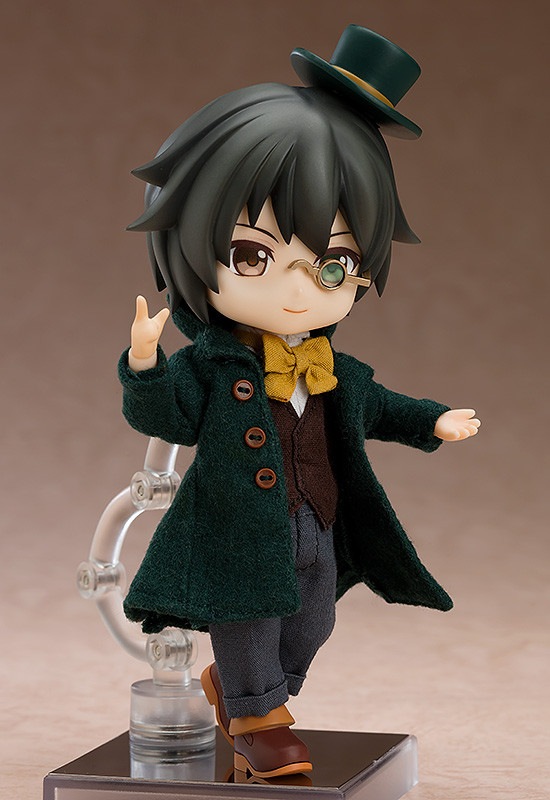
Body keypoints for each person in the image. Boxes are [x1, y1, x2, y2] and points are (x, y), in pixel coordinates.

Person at [118, 25, 480, 780]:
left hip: (317, 521)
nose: (296, 286)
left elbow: (379, 406)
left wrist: (434, 421)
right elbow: (167, 415)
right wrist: (146, 364)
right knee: (250, 622)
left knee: (313, 620)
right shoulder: (215, 366)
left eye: (333, 263)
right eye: (254, 254)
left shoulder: (331, 368)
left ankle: (249, 692)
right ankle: (258, 721)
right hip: (236, 535)